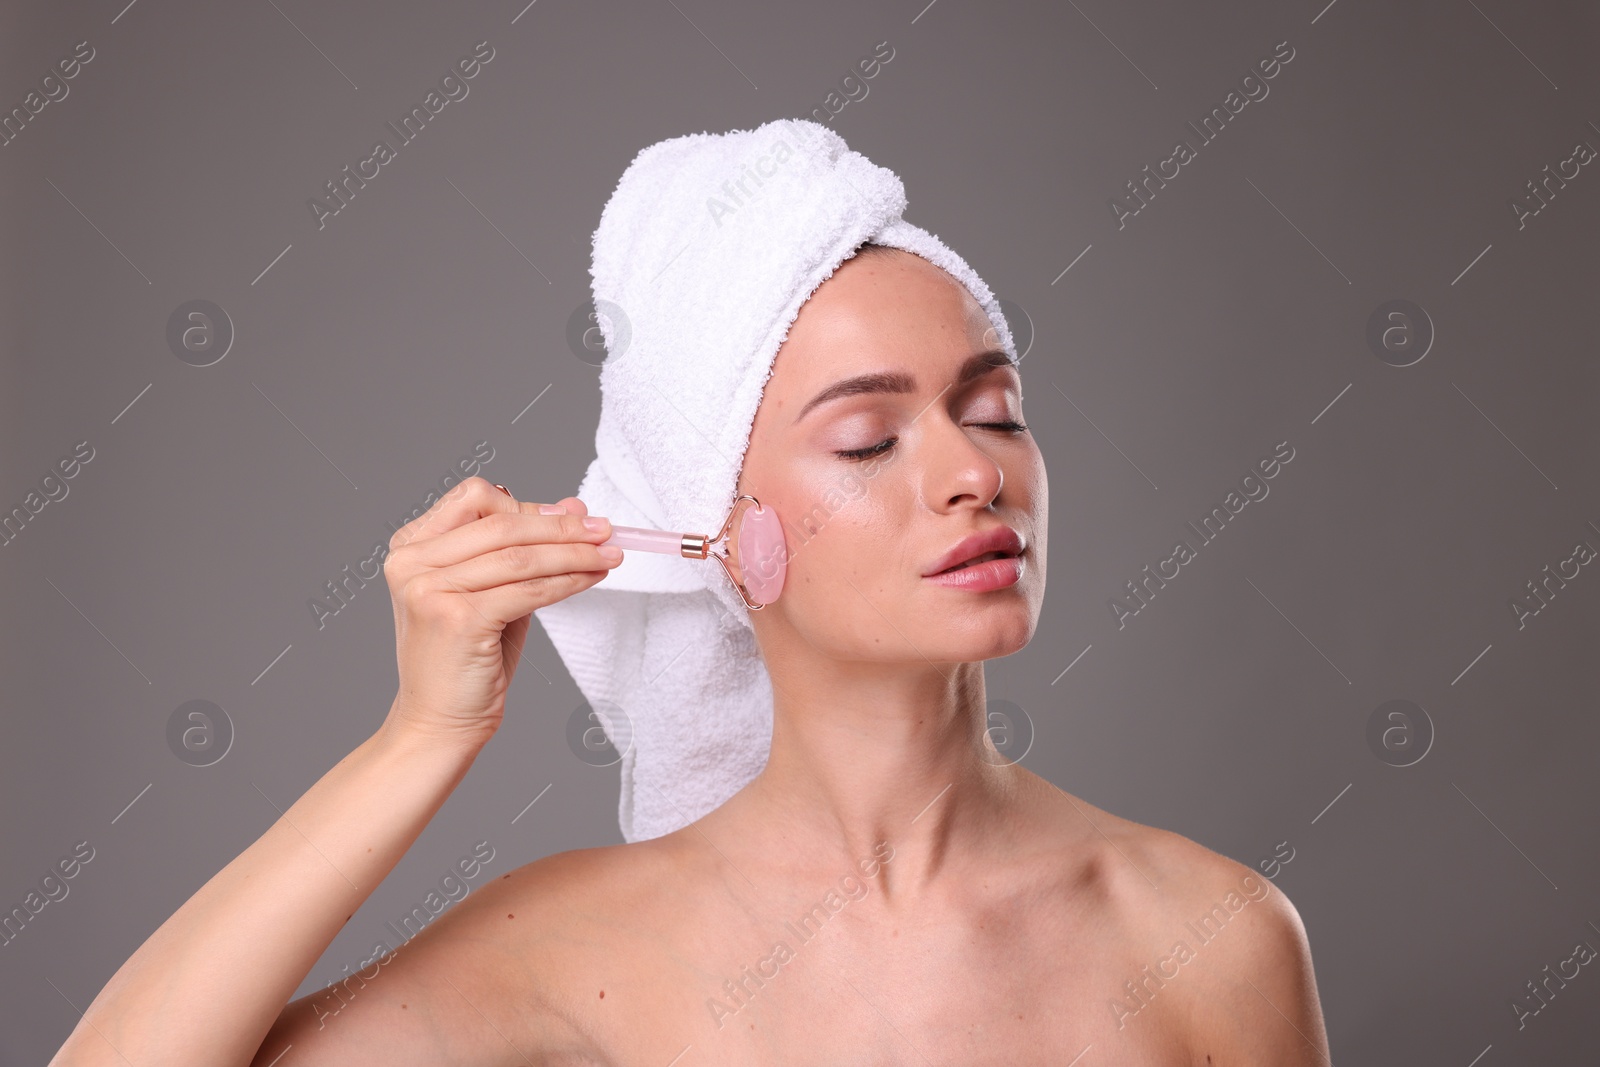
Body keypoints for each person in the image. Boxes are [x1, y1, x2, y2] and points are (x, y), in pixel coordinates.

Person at [51, 239, 1330, 1066]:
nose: (973, 470)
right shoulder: (576, 952)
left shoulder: (1209, 933)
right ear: (723, 532)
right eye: (868, 439)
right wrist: (418, 740)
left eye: (991, 410)